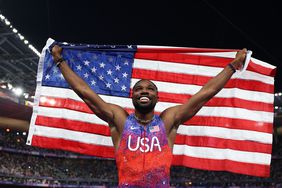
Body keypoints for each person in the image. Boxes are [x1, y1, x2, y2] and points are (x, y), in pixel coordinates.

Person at [51, 45, 247, 187]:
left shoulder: (168, 120)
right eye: (139, 89)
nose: (144, 91)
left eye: (150, 89)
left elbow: (205, 94)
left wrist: (233, 66)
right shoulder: (120, 120)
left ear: (157, 97)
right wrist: (60, 61)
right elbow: (85, 92)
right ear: (132, 95)